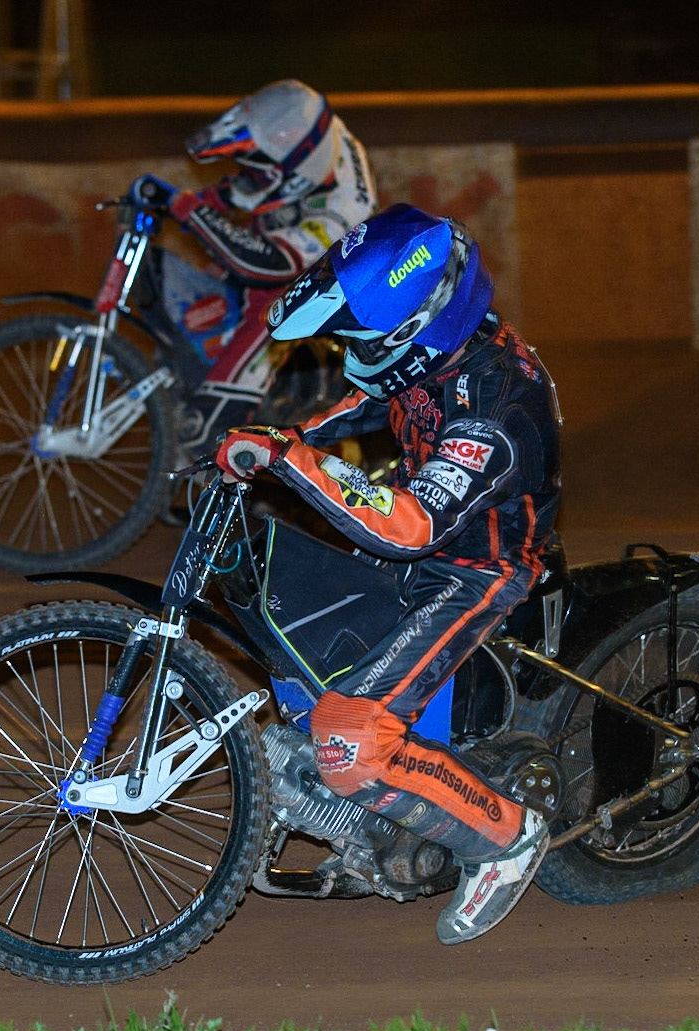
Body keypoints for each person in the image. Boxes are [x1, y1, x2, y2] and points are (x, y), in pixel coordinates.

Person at [213, 204, 563, 945]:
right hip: (428, 540)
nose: (348, 348)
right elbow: (367, 401)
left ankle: (505, 837)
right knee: (301, 641)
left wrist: (294, 461)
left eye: (360, 337)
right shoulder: (437, 353)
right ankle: (368, 807)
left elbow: (411, 529)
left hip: (477, 568)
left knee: (348, 736)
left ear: (414, 329)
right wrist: (280, 438)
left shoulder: (495, 406)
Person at [125, 79, 377, 455]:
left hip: (317, 280)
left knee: (271, 300)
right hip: (291, 235)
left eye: (260, 170)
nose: (250, 176)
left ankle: (220, 420)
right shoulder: (306, 128)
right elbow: (252, 186)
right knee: (220, 282)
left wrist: (186, 208)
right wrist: (198, 201)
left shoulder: (342, 211)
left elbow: (265, 265)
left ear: (296, 169)